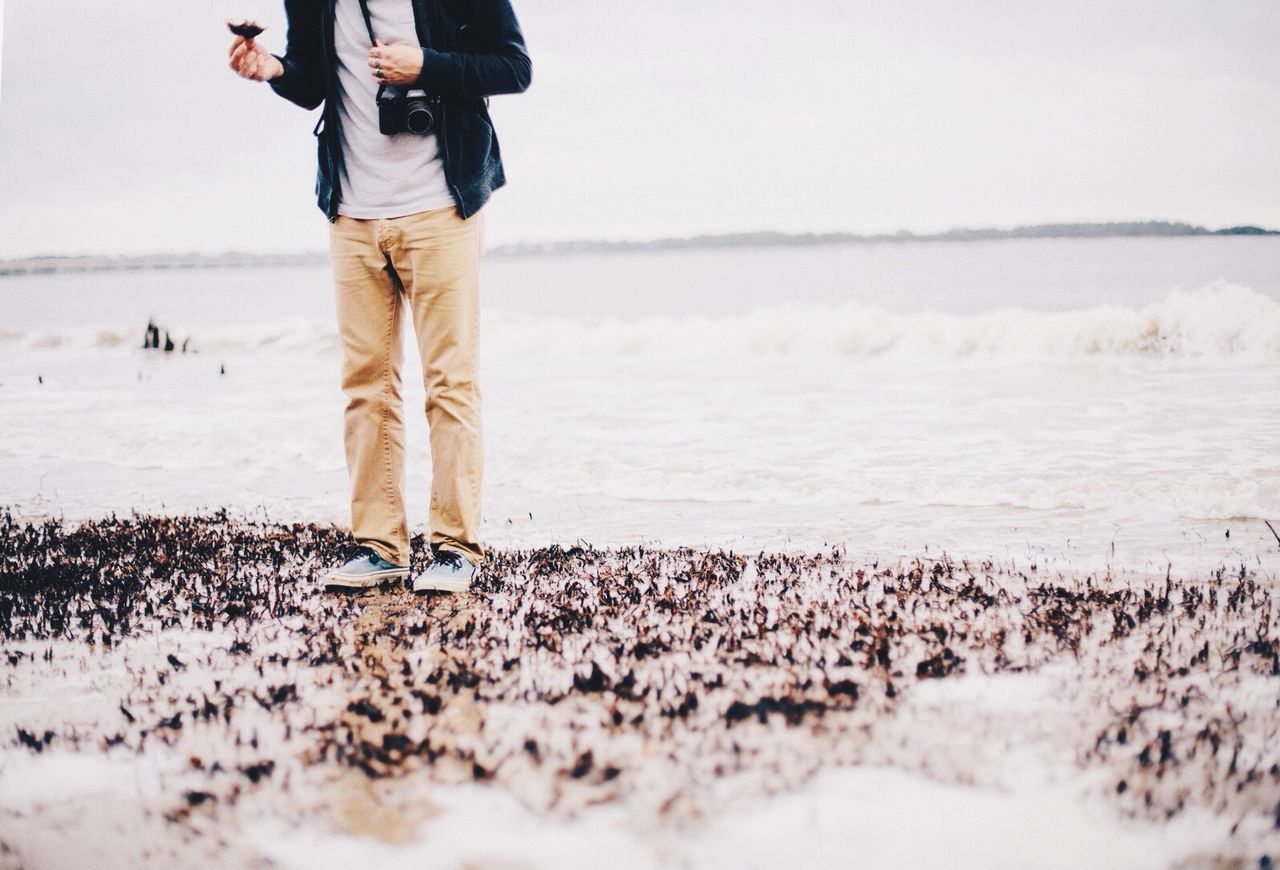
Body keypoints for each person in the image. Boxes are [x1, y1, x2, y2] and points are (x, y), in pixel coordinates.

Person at [228, 0, 531, 594]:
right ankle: (379, 545)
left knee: (450, 383)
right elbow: (315, 82)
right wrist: (273, 70)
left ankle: (455, 547)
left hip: (442, 207)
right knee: (365, 385)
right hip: (352, 213)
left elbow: (514, 67)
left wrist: (427, 65)